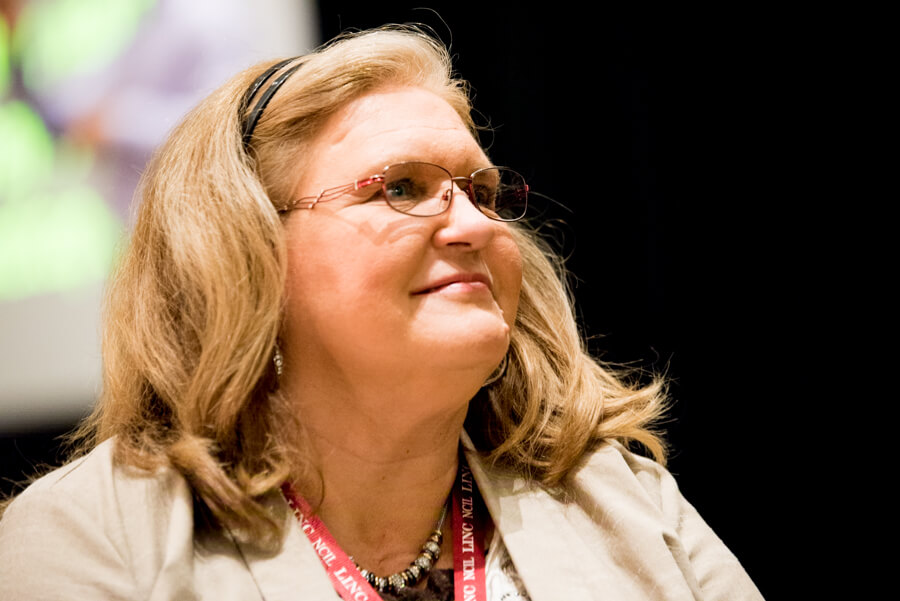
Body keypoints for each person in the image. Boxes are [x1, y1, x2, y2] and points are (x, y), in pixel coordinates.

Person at [0, 26, 764, 601]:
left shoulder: (627, 502)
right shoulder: (91, 537)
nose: (474, 227)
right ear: (245, 251)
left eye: (481, 191)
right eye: (400, 187)